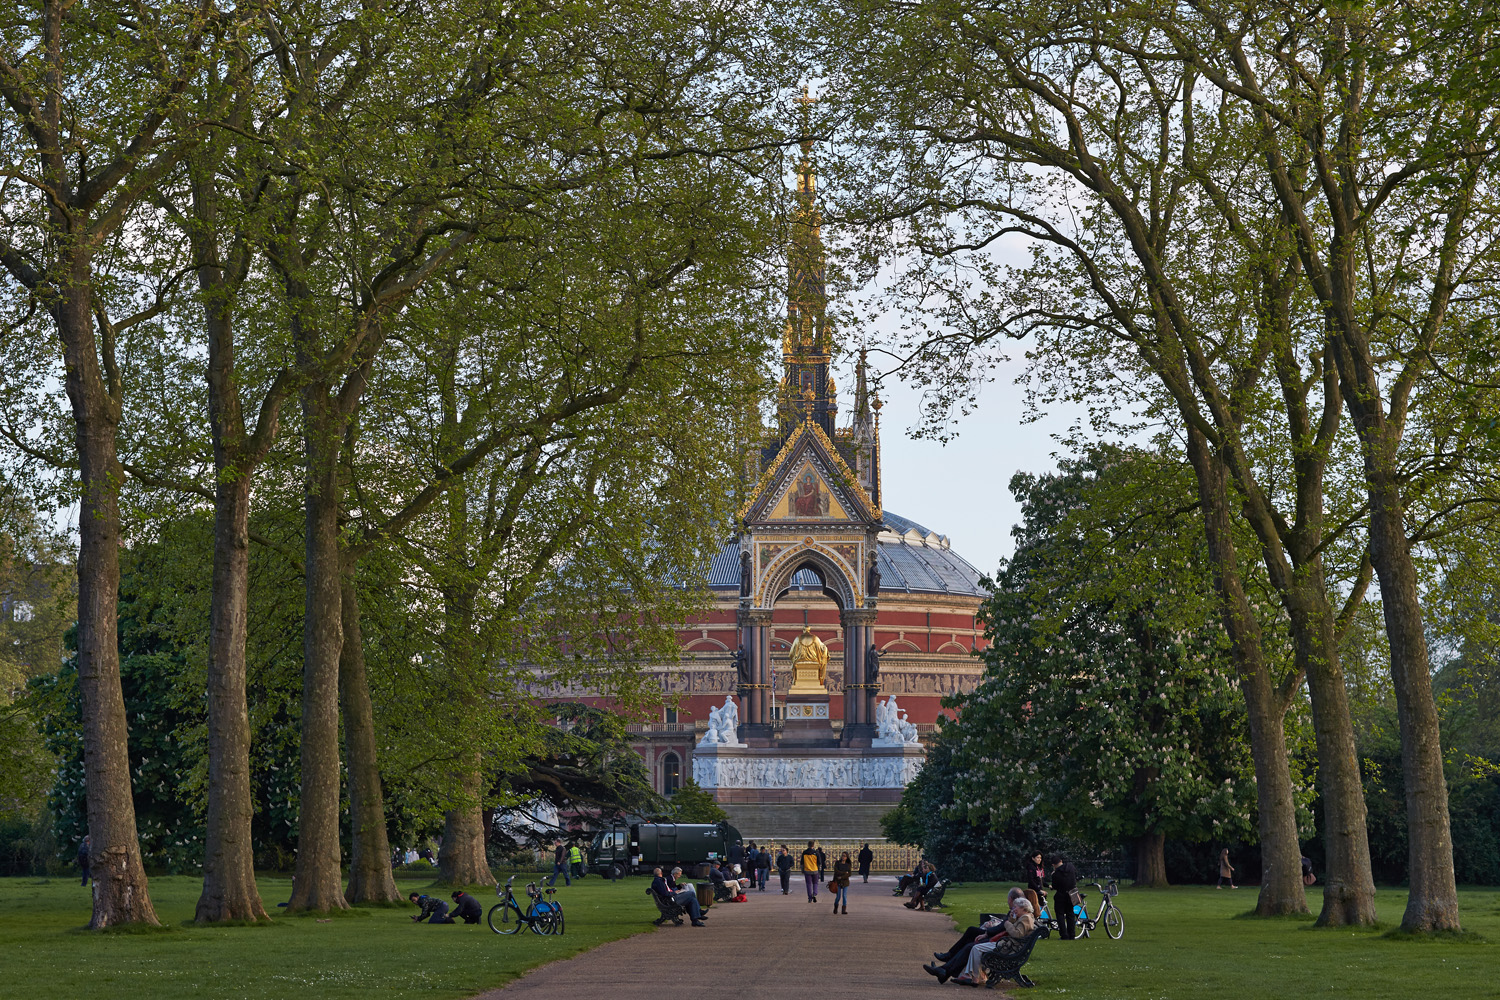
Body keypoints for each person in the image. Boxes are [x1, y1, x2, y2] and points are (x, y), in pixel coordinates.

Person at [925, 888, 1029, 984]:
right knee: (971, 935)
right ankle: (945, 967)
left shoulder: (1019, 914)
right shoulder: (1018, 912)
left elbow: (1005, 928)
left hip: (1001, 942)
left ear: (1010, 899)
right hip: (1001, 939)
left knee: (970, 945)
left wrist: (987, 932)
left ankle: (946, 968)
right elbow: (1004, 927)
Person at [951, 897, 1036, 986]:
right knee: (975, 948)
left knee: (976, 948)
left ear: (1023, 908)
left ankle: (973, 977)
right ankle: (971, 976)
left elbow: (1017, 934)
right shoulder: (1026, 917)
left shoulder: (1025, 918)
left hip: (1008, 947)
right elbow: (1017, 931)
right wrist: (1012, 919)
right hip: (1009, 946)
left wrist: (1007, 923)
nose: (1013, 909)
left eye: (1015, 907)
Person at [1050, 855, 1080, 940]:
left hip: (1061, 894)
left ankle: (1064, 934)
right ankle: (1072, 934)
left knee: (1060, 914)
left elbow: (1055, 886)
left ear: (1053, 865)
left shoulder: (1056, 874)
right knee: (1070, 913)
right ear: (1061, 861)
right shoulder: (1070, 867)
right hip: (1071, 894)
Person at [1024, 850, 1047, 916]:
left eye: (1040, 858)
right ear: (1033, 858)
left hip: (1039, 889)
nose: (1039, 859)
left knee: (1041, 905)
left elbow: (1041, 880)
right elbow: (1031, 881)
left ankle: (1039, 916)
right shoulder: (1031, 867)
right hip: (1034, 890)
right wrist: (1039, 890)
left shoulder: (1039, 867)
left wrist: (1049, 886)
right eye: (1037, 857)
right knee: (1035, 906)